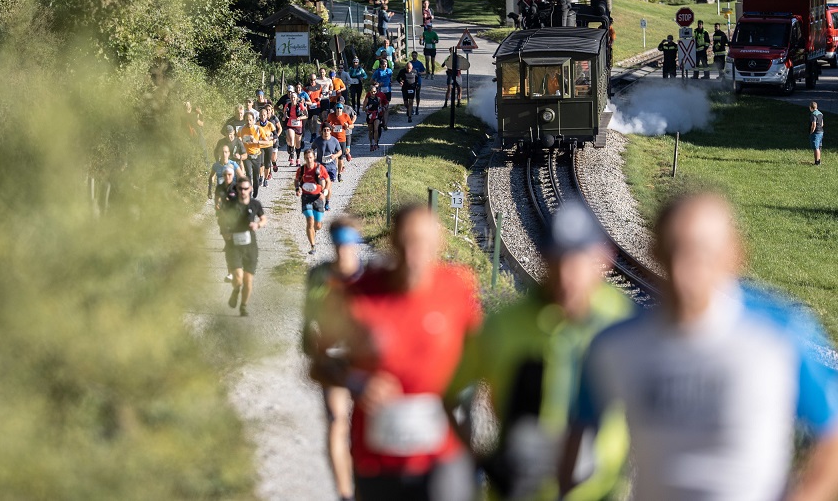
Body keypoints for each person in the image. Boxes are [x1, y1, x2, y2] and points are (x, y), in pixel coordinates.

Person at [569, 193, 838, 501]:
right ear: (655, 252)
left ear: (734, 256)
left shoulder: (779, 336)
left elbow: (831, 433)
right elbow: (579, 436)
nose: (685, 274)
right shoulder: (613, 348)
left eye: (700, 254)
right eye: (673, 252)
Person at [446, 203, 633, 500]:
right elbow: (450, 392)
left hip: (598, 493)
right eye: (556, 260)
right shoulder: (501, 326)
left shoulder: (625, 322)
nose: (565, 274)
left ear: (602, 260)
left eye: (577, 261)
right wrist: (478, 460)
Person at [310, 205, 482, 501]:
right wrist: (357, 382)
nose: (414, 255)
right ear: (392, 242)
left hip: (442, 458)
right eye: (406, 243)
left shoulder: (457, 287)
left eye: (424, 244)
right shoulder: (358, 295)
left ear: (439, 243)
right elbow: (318, 364)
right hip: (378, 461)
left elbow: (481, 354)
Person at [303, 217, 366, 501]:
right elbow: (309, 315)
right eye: (340, 244)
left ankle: (367, 484)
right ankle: (345, 494)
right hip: (334, 356)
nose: (344, 251)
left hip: (366, 360)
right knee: (337, 420)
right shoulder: (318, 275)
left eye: (349, 244)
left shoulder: (370, 277)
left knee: (366, 427)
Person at [223, 176, 266, 317]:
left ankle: (243, 306)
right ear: (237, 189)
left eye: (246, 189)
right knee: (238, 278)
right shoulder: (230, 205)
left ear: (250, 189)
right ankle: (236, 290)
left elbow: (264, 218)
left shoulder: (255, 204)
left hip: (250, 247)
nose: (243, 191)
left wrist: (257, 224)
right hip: (234, 246)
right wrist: (226, 232)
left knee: (248, 280)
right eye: (240, 189)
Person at [295, 148, 331, 254]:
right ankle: (312, 246)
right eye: (307, 158)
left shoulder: (320, 169)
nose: (309, 160)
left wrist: (324, 192)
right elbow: (297, 180)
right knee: (310, 219)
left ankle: (315, 229)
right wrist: (297, 189)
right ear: (304, 158)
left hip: (318, 198)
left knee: (318, 225)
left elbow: (328, 181)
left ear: (314, 157)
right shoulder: (301, 170)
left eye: (310, 157)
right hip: (306, 197)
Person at [213, 163, 239, 284]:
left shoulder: (237, 187)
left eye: (229, 174)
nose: (227, 177)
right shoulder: (219, 187)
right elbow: (217, 199)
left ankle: (231, 272)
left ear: (232, 175)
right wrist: (217, 204)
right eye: (225, 175)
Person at [238, 111, 271, 197]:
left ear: (253, 120)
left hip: (257, 155)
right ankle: (249, 191)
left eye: (250, 120)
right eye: (246, 120)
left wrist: (257, 141)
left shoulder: (258, 128)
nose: (248, 122)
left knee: (256, 176)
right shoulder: (241, 129)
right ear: (244, 120)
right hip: (246, 155)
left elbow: (267, 142)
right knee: (248, 174)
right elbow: (238, 139)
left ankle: (255, 190)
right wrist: (240, 142)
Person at [311, 125, 343, 210]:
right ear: (322, 131)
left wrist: (335, 155)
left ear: (330, 131)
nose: (326, 132)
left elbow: (340, 151)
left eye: (328, 130)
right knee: (322, 185)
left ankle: (327, 203)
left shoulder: (334, 140)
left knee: (329, 187)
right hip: (321, 166)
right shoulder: (318, 140)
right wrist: (313, 158)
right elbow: (312, 149)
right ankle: (320, 202)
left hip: (331, 167)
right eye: (324, 130)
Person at [327, 102, 355, 180]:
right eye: (337, 108)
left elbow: (352, 125)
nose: (339, 109)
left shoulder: (345, 116)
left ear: (342, 109)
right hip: (333, 140)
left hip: (342, 139)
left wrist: (348, 126)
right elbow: (326, 123)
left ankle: (339, 174)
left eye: (340, 108)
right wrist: (330, 127)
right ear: (335, 109)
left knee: (340, 158)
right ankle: (334, 171)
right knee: (334, 156)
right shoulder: (331, 116)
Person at [282, 90, 309, 166]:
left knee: (298, 144)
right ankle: (292, 157)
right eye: (291, 97)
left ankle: (298, 158)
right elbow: (284, 113)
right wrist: (284, 117)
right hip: (290, 124)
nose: (292, 98)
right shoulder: (287, 105)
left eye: (294, 97)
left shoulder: (300, 105)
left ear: (296, 98)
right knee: (291, 139)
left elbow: (306, 115)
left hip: (298, 125)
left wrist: (300, 118)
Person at [257, 105, 282, 186]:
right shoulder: (257, 125)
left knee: (267, 163)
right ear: (259, 116)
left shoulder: (270, 124)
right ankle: (261, 177)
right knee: (261, 162)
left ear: (266, 115)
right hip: (260, 146)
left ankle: (265, 179)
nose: (263, 117)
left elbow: (275, 135)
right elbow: (253, 134)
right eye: (261, 115)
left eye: (264, 115)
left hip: (269, 145)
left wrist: (272, 138)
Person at [371, 58, 394, 127]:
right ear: (380, 65)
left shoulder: (389, 71)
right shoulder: (377, 72)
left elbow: (391, 78)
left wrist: (391, 82)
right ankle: (380, 119)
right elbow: (371, 80)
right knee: (381, 106)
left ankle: (385, 123)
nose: (385, 66)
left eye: (386, 65)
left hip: (388, 91)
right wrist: (377, 83)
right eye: (384, 65)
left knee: (386, 107)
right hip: (380, 91)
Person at [364, 86, 385, 151]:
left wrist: (381, 109)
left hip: (376, 115)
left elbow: (380, 106)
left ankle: (376, 143)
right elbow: (363, 108)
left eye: (374, 92)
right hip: (370, 115)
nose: (373, 93)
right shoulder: (367, 99)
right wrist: (368, 107)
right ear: (370, 92)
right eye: (372, 92)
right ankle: (371, 144)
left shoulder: (378, 98)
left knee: (376, 129)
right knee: (370, 131)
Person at [810, 101, 825, 166]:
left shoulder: (813, 114)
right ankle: (819, 160)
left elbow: (814, 125)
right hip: (821, 131)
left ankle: (817, 162)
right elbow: (822, 124)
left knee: (816, 148)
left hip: (816, 133)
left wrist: (811, 131)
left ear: (811, 107)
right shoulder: (821, 114)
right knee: (819, 147)